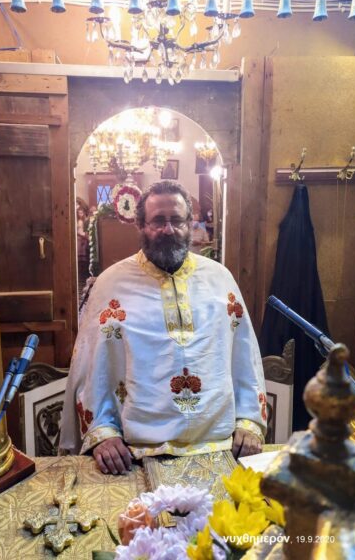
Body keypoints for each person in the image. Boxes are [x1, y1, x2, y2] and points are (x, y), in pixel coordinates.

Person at [60, 181, 266, 475]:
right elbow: (91, 367)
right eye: (158, 221)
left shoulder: (219, 279)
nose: (168, 230)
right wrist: (103, 434)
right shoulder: (110, 284)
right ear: (140, 225)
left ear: (189, 223)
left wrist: (248, 422)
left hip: (219, 444)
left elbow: (244, 357)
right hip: (135, 452)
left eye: (176, 220)